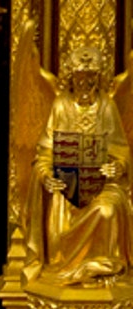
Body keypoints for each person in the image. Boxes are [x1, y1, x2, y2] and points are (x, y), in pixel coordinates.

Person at [24, 45, 133, 284]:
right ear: (71, 78)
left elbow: (122, 152)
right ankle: (62, 265)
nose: (85, 83)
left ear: (99, 78)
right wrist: (46, 176)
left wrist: (118, 167)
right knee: (58, 226)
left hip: (103, 186)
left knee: (109, 210)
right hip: (67, 188)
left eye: (91, 78)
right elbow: (44, 154)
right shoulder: (61, 106)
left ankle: (104, 268)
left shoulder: (106, 106)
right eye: (80, 77)